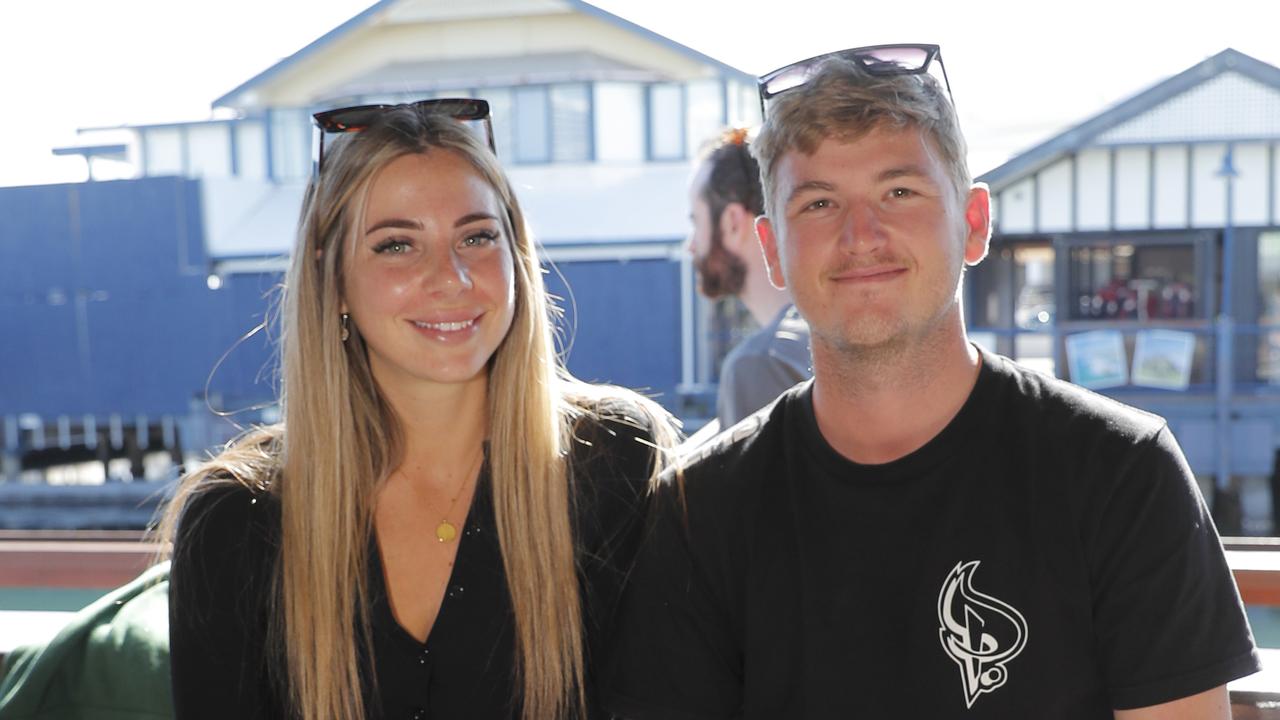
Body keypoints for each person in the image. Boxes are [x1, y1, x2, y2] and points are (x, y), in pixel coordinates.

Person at [606, 46, 1259, 719]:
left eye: (899, 192)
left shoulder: (1122, 470)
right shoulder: (696, 511)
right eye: (820, 202)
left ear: (973, 224)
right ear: (773, 250)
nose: (862, 235)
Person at [162, 101, 675, 720]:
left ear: (516, 255)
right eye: (397, 244)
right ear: (333, 278)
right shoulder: (234, 521)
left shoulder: (614, 458)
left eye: (477, 236)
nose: (451, 277)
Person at [687, 128, 810, 430]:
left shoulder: (759, 363)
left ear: (731, 223)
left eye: (696, 221)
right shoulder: (828, 335)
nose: (690, 245)